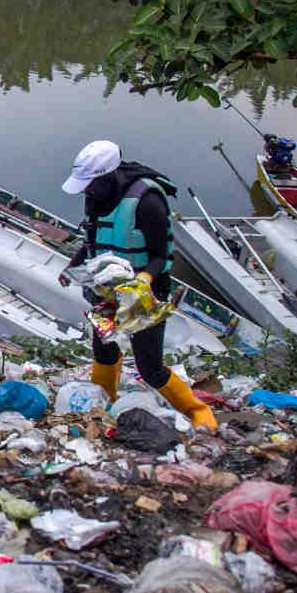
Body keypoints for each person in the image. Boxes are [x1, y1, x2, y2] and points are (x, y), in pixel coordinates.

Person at [57, 140, 217, 431]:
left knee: (149, 366)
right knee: (104, 348)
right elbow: (93, 241)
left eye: (91, 184)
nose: (87, 190)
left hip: (146, 294)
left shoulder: (147, 202)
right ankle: (102, 404)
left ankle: (199, 412)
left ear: (109, 176)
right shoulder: (95, 197)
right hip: (105, 291)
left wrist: (144, 281)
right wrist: (72, 266)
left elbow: (161, 256)